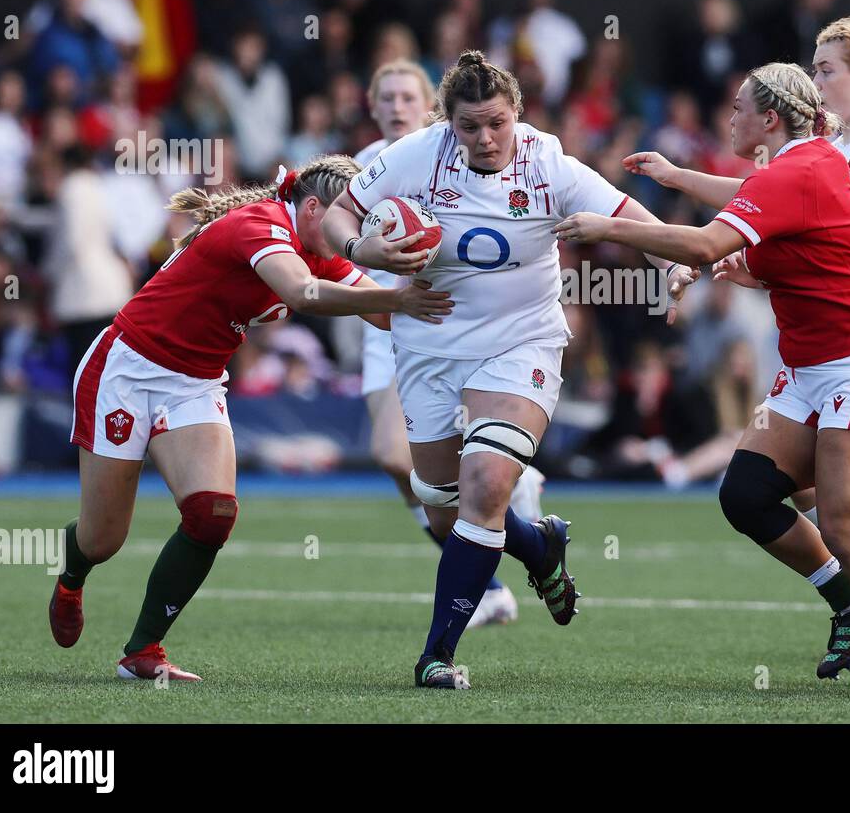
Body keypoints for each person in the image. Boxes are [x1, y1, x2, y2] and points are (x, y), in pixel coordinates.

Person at [557, 63, 850, 694]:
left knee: (847, 525)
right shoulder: (798, 166)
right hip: (812, 366)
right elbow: (764, 224)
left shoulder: (798, 169)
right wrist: (683, 188)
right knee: (746, 493)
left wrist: (611, 227)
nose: (731, 118)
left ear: (770, 119)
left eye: (740, 108)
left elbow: (704, 243)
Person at [323, 51, 697, 689]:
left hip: (523, 342)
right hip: (431, 343)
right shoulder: (415, 155)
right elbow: (338, 215)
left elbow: (627, 215)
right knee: (440, 502)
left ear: (516, 114)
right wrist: (364, 248)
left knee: (487, 486)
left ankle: (436, 656)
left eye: (496, 123)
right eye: (469, 127)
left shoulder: (546, 160)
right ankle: (538, 547)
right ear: (448, 124)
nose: (485, 138)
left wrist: (668, 265)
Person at [49, 156, 435, 682]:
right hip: (128, 369)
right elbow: (305, 294)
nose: (353, 231)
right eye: (348, 215)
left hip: (195, 382)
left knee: (213, 514)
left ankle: (143, 651)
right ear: (315, 207)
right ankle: (73, 574)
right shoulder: (262, 224)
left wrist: (452, 297)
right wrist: (397, 293)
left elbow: (383, 313)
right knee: (103, 539)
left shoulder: (318, 245)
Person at [354, 59, 543, 629]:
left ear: (429, 107)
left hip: (446, 324)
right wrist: (369, 284)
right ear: (371, 105)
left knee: (411, 460)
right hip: (385, 323)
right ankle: (514, 539)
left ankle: (488, 573)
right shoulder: (364, 167)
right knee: (407, 470)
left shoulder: (453, 154)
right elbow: (332, 233)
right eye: (385, 97)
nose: (396, 106)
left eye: (407, 96)